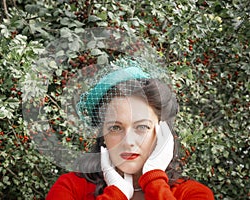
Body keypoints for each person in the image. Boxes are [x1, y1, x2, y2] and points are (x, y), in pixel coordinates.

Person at [46, 58, 214, 200]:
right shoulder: (71, 188)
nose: (128, 142)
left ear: (163, 132)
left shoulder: (192, 194)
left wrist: (154, 180)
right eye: (115, 128)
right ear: (102, 134)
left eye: (142, 127)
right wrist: (116, 193)